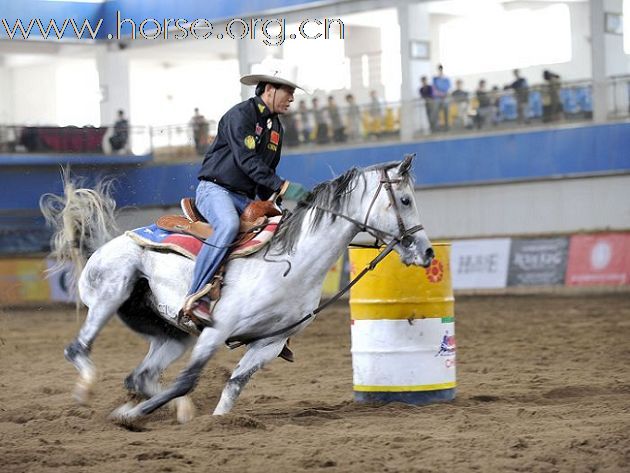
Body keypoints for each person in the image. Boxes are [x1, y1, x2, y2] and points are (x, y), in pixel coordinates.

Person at [184, 72, 305, 323]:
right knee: (228, 225)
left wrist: (274, 202)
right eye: (288, 91)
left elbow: (266, 172)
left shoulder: (276, 129)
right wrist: (282, 185)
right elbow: (247, 160)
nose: (292, 98)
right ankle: (196, 296)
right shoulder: (241, 115)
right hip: (214, 189)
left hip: (245, 198)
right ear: (269, 89)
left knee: (281, 229)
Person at [432, 64, 451, 130]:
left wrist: (443, 94)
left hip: (445, 98)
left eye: (441, 69)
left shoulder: (446, 79)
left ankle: (447, 126)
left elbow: (447, 88)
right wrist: (440, 93)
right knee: (435, 111)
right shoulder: (435, 79)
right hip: (438, 98)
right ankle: (436, 126)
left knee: (446, 110)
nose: (440, 70)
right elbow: (434, 89)